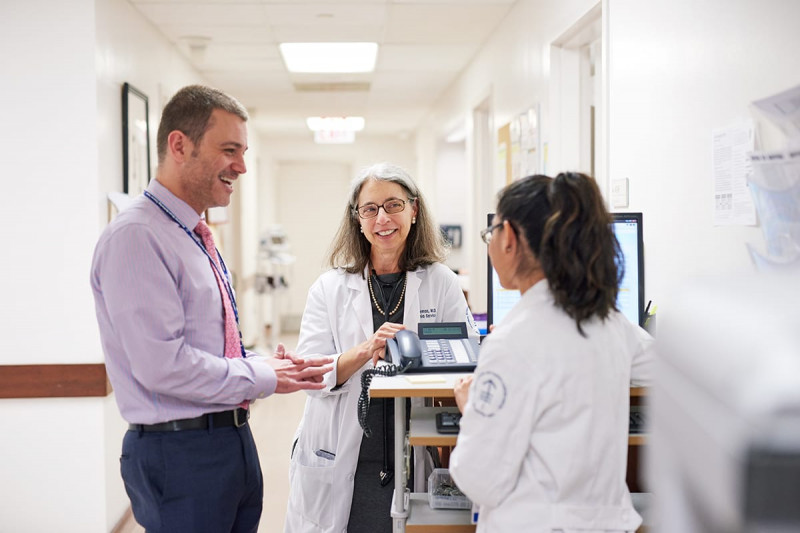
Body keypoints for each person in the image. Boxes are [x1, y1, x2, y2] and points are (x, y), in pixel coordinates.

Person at [91, 84, 333, 533]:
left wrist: (259, 365)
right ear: (179, 145)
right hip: (181, 456)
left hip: (227, 440)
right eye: (229, 150)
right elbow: (162, 366)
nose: (241, 167)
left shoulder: (192, 234)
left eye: (243, 152)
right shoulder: (138, 237)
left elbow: (207, 346)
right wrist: (261, 376)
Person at [449, 172, 655, 532]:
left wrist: (473, 411)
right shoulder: (613, 324)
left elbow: (478, 478)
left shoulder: (511, 342)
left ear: (509, 237)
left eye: (491, 233)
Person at [284, 163, 477, 533]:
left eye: (393, 205)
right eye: (369, 209)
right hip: (341, 455)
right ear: (357, 219)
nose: (382, 218)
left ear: (414, 210)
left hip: (410, 451)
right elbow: (309, 373)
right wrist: (364, 350)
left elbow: (465, 359)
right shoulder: (329, 289)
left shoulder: (441, 283)